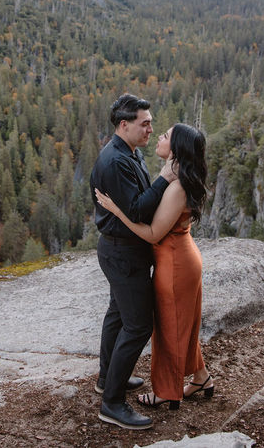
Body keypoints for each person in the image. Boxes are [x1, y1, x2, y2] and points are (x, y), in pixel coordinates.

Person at [95, 122, 214, 412]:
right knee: (183, 324)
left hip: (174, 264)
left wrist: (116, 210)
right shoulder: (180, 180)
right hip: (180, 258)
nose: (158, 136)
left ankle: (166, 392)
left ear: (176, 150)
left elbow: (152, 234)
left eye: (166, 136)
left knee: (168, 328)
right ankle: (200, 378)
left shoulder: (176, 188)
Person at [90, 94, 177, 431]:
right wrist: (165, 179)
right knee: (139, 325)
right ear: (124, 125)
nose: (150, 129)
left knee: (117, 313)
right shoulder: (115, 162)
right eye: (145, 123)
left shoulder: (130, 152)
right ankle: (111, 403)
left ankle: (107, 376)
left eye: (151, 122)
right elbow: (138, 209)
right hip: (122, 252)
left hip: (123, 250)